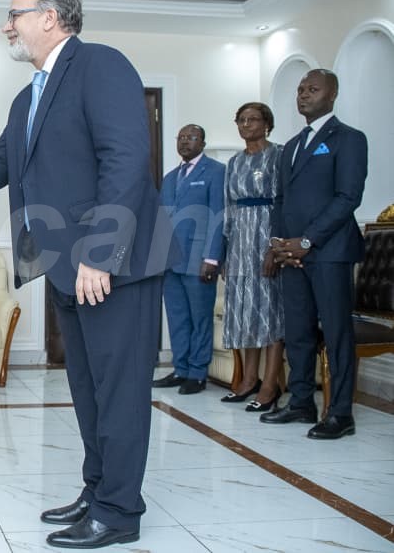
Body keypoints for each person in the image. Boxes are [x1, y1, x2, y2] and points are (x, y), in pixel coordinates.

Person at [0, 0, 174, 549]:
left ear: (50, 16)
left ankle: (119, 512)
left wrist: (101, 252)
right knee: (88, 390)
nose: (7, 25)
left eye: (15, 14)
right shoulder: (27, 97)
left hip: (113, 265)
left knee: (119, 392)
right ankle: (98, 491)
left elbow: (126, 160)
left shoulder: (100, 65)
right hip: (64, 264)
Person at [261, 69, 368, 440]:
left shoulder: (349, 138)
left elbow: (348, 197)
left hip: (330, 254)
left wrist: (307, 241)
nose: (303, 95)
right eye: (300, 89)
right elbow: (280, 199)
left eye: (313, 89)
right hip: (293, 256)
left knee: (336, 334)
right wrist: (280, 244)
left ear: (332, 94)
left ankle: (340, 413)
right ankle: (301, 401)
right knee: (298, 332)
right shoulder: (291, 145)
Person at [219, 103, 285, 412]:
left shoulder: (279, 155)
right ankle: (248, 381)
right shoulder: (234, 162)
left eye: (253, 119)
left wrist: (275, 247)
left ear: (267, 123)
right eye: (241, 120)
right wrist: (225, 252)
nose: (246, 124)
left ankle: (270, 386)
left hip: (267, 240)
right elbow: (228, 208)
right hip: (239, 245)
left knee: (270, 312)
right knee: (245, 311)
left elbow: (285, 202)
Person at [153, 124, 225, 395]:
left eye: (191, 137)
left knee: (200, 318)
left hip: (200, 260)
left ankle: (197, 373)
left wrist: (213, 258)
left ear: (202, 142)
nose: (185, 142)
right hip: (171, 261)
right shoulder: (170, 177)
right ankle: (180, 369)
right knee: (177, 318)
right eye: (181, 137)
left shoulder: (216, 171)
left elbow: (219, 215)